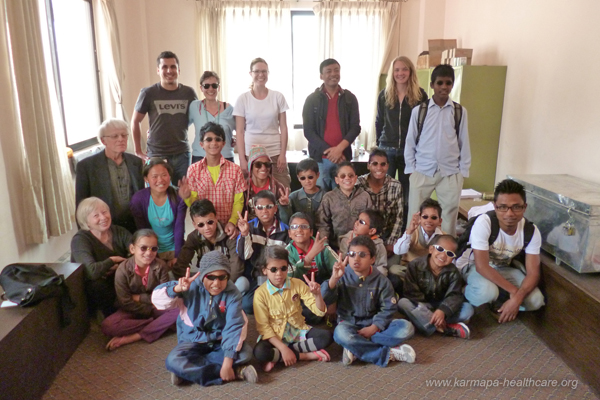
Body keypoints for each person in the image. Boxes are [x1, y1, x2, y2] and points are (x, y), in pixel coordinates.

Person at [152, 251, 257, 386]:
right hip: (192, 341)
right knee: (172, 360)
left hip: (220, 341)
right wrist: (177, 289)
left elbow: (234, 326)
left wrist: (227, 362)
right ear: (202, 276)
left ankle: (190, 372)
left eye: (222, 277)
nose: (216, 283)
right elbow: (157, 300)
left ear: (228, 276)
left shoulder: (233, 293)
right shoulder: (188, 286)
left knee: (246, 353)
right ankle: (236, 371)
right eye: (211, 277)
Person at [322, 236, 416, 367]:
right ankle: (388, 353)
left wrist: (375, 327)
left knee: (406, 328)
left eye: (362, 254)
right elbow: (324, 301)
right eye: (352, 254)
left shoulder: (381, 280)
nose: (356, 259)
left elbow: (388, 308)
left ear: (372, 259)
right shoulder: (341, 274)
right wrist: (333, 279)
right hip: (349, 324)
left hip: (374, 324)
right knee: (340, 334)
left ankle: (355, 348)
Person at [463, 179, 545, 323]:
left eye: (516, 207)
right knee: (486, 292)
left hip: (505, 268)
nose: (509, 213)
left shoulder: (531, 231)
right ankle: (466, 291)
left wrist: (517, 298)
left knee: (536, 300)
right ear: (495, 207)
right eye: (503, 207)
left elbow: (533, 273)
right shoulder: (485, 223)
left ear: (525, 207)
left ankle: (502, 301)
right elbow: (482, 266)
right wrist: (515, 292)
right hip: (476, 267)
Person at [404, 64, 471, 236]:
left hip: (450, 172)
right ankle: (413, 254)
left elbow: (464, 141)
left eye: (448, 83)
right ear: (432, 84)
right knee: (417, 214)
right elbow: (410, 141)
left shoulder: (459, 111)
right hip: (422, 170)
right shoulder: (420, 111)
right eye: (439, 83)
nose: (444, 87)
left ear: (452, 85)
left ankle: (445, 254)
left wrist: (463, 171)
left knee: (449, 216)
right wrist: (411, 169)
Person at [253, 246, 333, 372]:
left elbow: (319, 311)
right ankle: (304, 355)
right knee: (259, 352)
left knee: (326, 336)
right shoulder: (260, 294)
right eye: (273, 270)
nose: (279, 274)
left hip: (297, 330)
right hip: (275, 335)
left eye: (283, 268)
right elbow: (264, 328)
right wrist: (283, 348)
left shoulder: (297, 283)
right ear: (264, 270)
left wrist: (318, 295)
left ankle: (278, 356)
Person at [101, 229, 178, 350]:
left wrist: (140, 297)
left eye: (153, 249)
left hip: (156, 307)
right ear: (132, 249)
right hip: (133, 308)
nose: (148, 253)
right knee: (108, 326)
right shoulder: (122, 269)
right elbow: (125, 301)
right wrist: (150, 309)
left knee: (179, 311)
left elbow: (165, 297)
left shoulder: (161, 266)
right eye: (143, 248)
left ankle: (135, 336)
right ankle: (158, 325)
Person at [131, 51, 198, 185]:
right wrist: (138, 151)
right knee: (157, 194)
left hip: (182, 154)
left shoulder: (189, 93)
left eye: (173, 67)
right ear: (158, 70)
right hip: (156, 154)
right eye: (164, 67)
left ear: (178, 70)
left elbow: (197, 117)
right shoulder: (148, 93)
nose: (169, 70)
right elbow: (135, 121)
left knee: (183, 195)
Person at [376, 56, 428, 226]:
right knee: (387, 193)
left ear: (411, 71)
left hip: (410, 152)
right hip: (387, 150)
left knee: (408, 194)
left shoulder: (420, 95)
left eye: (404, 69)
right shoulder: (384, 95)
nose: (400, 73)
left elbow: (425, 126)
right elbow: (379, 122)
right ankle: (386, 229)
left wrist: (420, 152)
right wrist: (379, 146)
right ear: (392, 73)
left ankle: (405, 231)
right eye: (397, 70)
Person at [397, 235, 473, 339]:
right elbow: (410, 291)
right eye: (440, 249)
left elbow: (455, 295)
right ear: (431, 249)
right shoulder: (415, 265)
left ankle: (424, 322)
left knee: (468, 310)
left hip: (441, 304)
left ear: (453, 258)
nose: (443, 255)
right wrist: (427, 308)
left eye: (449, 253)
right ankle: (445, 328)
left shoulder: (453, 272)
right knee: (403, 303)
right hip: (422, 305)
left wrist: (443, 310)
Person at [75, 119, 144, 233]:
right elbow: (81, 205)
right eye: (115, 136)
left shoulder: (136, 162)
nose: (121, 139)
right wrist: (85, 236)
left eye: (123, 135)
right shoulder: (87, 166)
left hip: (134, 224)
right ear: (103, 141)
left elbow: (142, 195)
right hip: (105, 226)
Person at [179, 122, 246, 239]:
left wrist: (232, 222)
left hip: (228, 228)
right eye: (208, 139)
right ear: (201, 144)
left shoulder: (235, 170)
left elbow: (238, 201)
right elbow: (195, 205)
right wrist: (187, 197)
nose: (213, 143)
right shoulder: (193, 170)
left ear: (223, 143)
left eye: (218, 139)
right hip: (206, 230)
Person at [302, 58, 360, 191]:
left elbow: (355, 127)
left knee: (342, 196)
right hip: (320, 159)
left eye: (336, 70)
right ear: (321, 76)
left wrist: (339, 150)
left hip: (343, 158)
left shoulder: (349, 98)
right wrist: (331, 152)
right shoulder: (312, 99)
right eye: (328, 71)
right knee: (321, 197)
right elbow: (308, 131)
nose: (333, 74)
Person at [234, 57, 291, 187]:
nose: (261, 75)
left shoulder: (278, 96)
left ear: (268, 73)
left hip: (275, 152)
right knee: (253, 192)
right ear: (251, 74)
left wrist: (283, 154)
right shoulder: (243, 99)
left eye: (264, 71)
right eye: (257, 71)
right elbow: (240, 131)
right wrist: (242, 159)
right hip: (251, 154)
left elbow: (284, 127)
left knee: (282, 188)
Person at [71, 197, 132, 317]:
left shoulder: (119, 231)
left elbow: (138, 253)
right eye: (96, 215)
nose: (103, 218)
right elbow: (92, 272)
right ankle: (108, 316)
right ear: (86, 221)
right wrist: (112, 261)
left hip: (119, 277)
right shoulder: (80, 240)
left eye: (104, 212)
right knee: (97, 284)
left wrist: (118, 267)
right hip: (95, 287)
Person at [236, 190, 290, 314]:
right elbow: (244, 255)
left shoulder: (284, 230)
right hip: (256, 277)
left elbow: (288, 259)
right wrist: (244, 234)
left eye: (269, 207)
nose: (264, 211)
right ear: (254, 209)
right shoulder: (249, 227)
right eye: (259, 207)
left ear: (275, 208)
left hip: (277, 277)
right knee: (248, 305)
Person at [174, 199, 246, 292]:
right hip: (205, 280)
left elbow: (237, 267)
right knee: (177, 280)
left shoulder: (229, 234)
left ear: (216, 218)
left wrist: (220, 285)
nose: (207, 228)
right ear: (194, 225)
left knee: (243, 282)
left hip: (226, 280)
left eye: (210, 222)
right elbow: (180, 265)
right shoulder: (193, 237)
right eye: (201, 225)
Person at [130, 158, 187, 269]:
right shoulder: (138, 200)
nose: (160, 180)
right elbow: (142, 231)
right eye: (155, 176)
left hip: (174, 248)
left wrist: (177, 256)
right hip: (151, 251)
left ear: (169, 176)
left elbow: (179, 228)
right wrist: (152, 256)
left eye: (164, 175)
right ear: (146, 179)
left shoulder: (178, 196)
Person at [285, 212, 338, 325]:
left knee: (326, 285)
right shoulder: (286, 252)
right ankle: (315, 314)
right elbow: (288, 279)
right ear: (290, 233)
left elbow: (339, 272)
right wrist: (308, 258)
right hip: (300, 292)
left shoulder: (323, 248)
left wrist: (333, 301)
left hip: (322, 291)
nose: (299, 230)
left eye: (304, 226)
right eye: (294, 227)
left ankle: (319, 312)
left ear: (311, 232)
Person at [356, 148, 404, 256]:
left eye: (383, 164)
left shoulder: (395, 186)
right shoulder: (358, 183)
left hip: (386, 236)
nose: (379, 168)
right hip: (363, 235)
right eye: (375, 164)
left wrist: (391, 242)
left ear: (388, 166)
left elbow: (398, 217)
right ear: (368, 165)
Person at [316, 161, 372, 250]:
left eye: (350, 176)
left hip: (359, 245)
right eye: (342, 176)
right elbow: (323, 224)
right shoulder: (329, 197)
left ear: (356, 178)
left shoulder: (365, 196)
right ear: (336, 180)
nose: (347, 178)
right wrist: (325, 245)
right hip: (334, 246)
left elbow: (370, 222)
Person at [188, 71, 236, 163]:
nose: (211, 89)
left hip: (225, 157)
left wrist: (235, 139)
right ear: (201, 88)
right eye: (206, 86)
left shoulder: (229, 109)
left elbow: (243, 130)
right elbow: (182, 126)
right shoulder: (194, 107)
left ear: (219, 88)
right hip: (200, 157)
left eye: (214, 85)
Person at [394, 198, 445, 264]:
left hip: (429, 270)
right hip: (409, 267)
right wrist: (409, 231)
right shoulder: (413, 232)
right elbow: (398, 251)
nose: (429, 220)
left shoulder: (443, 237)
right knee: (394, 270)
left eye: (434, 218)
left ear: (440, 221)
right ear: (420, 218)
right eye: (425, 217)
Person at [338, 210, 388, 277]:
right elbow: (344, 262)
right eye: (357, 219)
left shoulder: (378, 246)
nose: (356, 223)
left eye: (361, 222)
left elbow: (381, 268)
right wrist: (349, 248)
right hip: (351, 277)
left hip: (371, 279)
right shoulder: (347, 239)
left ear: (372, 231)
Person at [244, 146, 287, 221]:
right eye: (258, 164)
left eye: (267, 164)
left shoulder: (278, 187)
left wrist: (285, 206)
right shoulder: (244, 187)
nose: (263, 168)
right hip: (249, 228)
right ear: (251, 167)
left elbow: (284, 218)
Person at [278, 157, 324, 228]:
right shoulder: (293, 197)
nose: (307, 181)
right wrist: (284, 206)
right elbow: (286, 222)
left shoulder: (327, 197)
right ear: (298, 178)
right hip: (298, 235)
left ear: (317, 175)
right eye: (303, 178)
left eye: (310, 177)